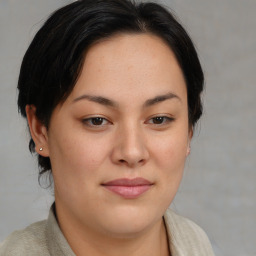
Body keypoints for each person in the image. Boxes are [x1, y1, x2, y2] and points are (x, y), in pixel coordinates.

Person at [0, 0, 215, 255]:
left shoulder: (196, 243)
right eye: (96, 120)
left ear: (189, 130)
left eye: (159, 119)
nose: (132, 152)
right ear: (39, 129)